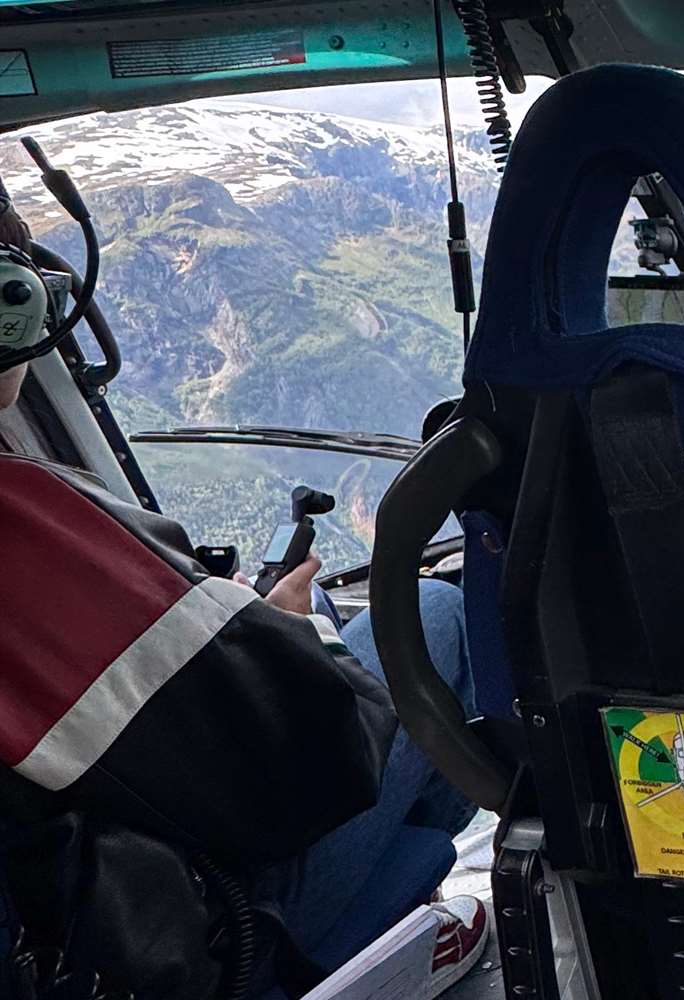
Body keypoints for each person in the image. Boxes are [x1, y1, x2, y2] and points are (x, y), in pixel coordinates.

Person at [0, 190, 488, 999]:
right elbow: (317, 760)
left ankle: (393, 916)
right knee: (429, 617)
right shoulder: (21, 526)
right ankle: (357, 945)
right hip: (172, 959)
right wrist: (299, 633)